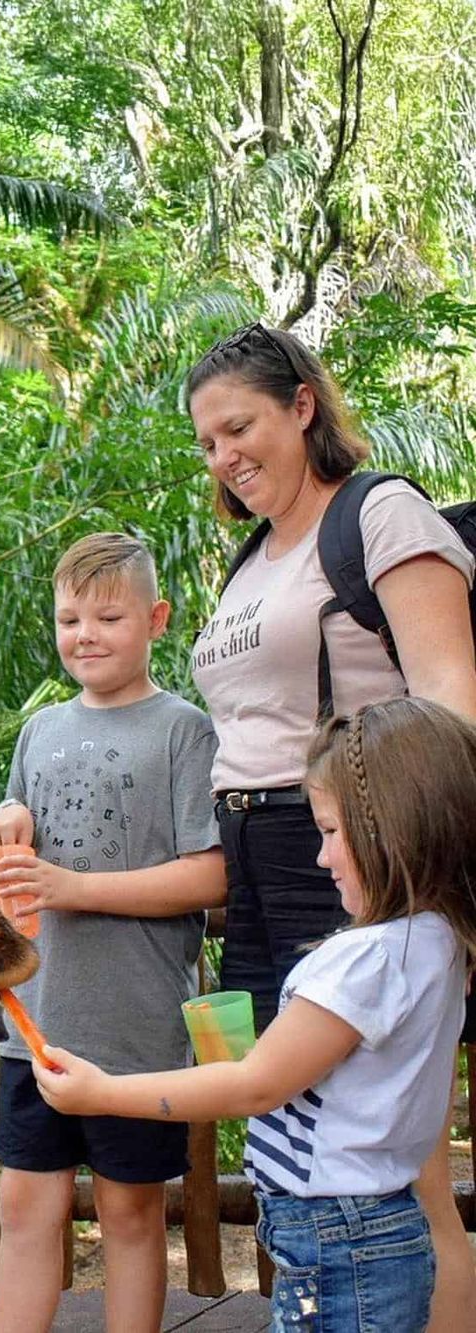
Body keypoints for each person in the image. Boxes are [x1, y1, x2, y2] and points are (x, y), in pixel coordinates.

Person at [185, 321, 476, 1326]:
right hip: (256, 862)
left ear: (301, 405)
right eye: (208, 443)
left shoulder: (379, 514)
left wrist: (398, 874)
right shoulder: (249, 561)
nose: (225, 456)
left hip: (357, 854)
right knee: (286, 1138)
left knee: (398, 1162)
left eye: (239, 427)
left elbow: (449, 703)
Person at [33, 697, 476, 1333]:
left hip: (337, 1237)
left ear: (393, 829)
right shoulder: (438, 941)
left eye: (329, 832)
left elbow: (256, 1084)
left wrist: (102, 1092)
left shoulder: (365, 962)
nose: (321, 858)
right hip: (384, 1225)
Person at [0, 531, 225, 1333]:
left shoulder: (183, 729)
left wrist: (74, 886)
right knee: (24, 1209)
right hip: (35, 1024)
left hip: (135, 1031)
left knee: (130, 1215)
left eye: (108, 617)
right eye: (69, 618)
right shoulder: (39, 730)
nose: (85, 634)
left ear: (156, 619)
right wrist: (7, 819)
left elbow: (210, 874)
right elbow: (19, 829)